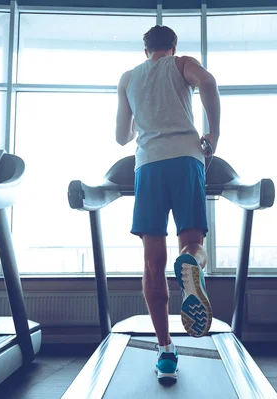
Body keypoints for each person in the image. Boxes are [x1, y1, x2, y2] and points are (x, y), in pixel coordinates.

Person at [114, 24, 221, 385]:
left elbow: (120, 136)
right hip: (187, 159)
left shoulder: (129, 78)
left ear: (145, 50)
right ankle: (192, 263)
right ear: (173, 47)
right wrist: (213, 135)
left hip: (149, 165)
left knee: (152, 261)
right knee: (193, 243)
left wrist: (138, 128)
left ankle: (165, 350)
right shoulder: (181, 64)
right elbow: (208, 82)